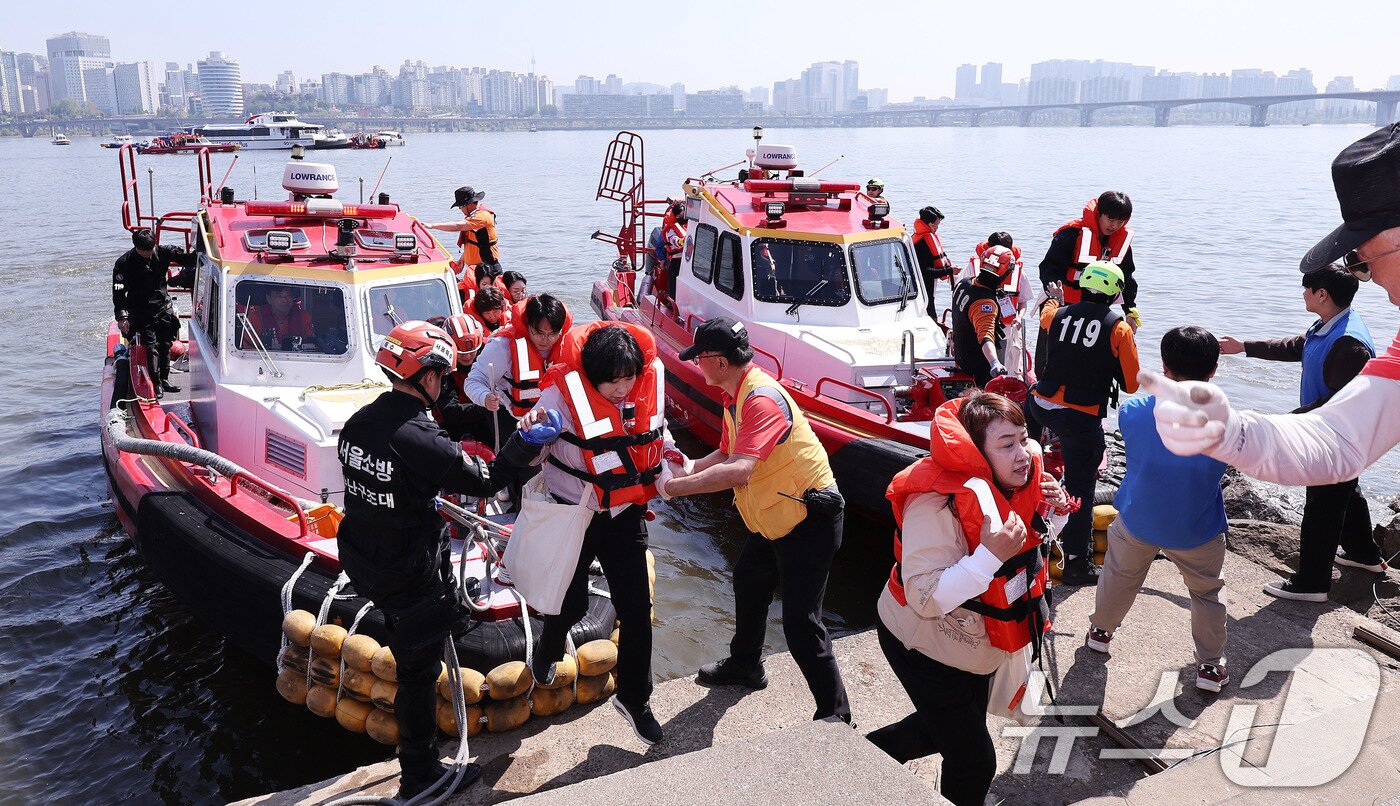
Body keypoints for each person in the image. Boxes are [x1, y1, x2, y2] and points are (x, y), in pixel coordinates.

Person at [337, 320, 559, 800]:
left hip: (365, 561)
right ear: (429, 376)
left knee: (413, 650)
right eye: (440, 374)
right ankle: (419, 773)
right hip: (407, 576)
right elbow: (484, 479)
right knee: (418, 674)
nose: (443, 383)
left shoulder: (359, 424)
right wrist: (524, 443)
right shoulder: (419, 437)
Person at [1146, 124, 1400, 493]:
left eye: (1361, 253)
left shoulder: (1349, 342)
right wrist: (1231, 432)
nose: (1364, 269)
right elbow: (1341, 439)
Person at [869, 392, 1058, 806]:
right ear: (975, 452)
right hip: (922, 643)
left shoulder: (1013, 485)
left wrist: (1053, 513)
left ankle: (860, 757)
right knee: (975, 759)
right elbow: (925, 597)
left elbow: (1029, 555)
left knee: (943, 729)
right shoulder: (935, 503)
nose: (1023, 454)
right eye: (1005, 445)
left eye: (1023, 439)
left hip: (974, 644)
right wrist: (990, 556)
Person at [663, 318, 852, 723]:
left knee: (803, 625)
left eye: (699, 359)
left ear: (717, 361)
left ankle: (836, 716)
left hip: (809, 521)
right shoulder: (738, 393)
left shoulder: (760, 399)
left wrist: (674, 490)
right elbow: (725, 453)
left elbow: (739, 471)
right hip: (776, 517)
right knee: (749, 579)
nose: (696, 365)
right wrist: (689, 465)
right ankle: (747, 666)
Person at [521, 321, 680, 745]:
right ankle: (550, 648)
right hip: (573, 512)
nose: (624, 389)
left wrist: (670, 461)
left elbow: (658, 437)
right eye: (614, 382)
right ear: (593, 377)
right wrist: (530, 429)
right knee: (568, 602)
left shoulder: (643, 390)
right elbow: (532, 450)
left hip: (624, 512)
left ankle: (635, 699)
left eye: (630, 378)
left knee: (636, 608)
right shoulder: (560, 396)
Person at [1216, 264, 1384, 600]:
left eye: (1307, 288)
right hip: (1335, 433)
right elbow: (1298, 346)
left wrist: (1284, 423)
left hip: (1337, 436)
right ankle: (1365, 556)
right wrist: (1243, 346)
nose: (1303, 293)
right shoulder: (1331, 323)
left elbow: (1338, 403)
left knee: (1322, 506)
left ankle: (1312, 584)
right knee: (1346, 493)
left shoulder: (1349, 344)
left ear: (1322, 294)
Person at [1086, 327, 1231, 692]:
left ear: (1164, 368)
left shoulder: (1134, 411)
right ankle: (1210, 667)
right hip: (1197, 527)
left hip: (1139, 517)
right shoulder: (1226, 423)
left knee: (1119, 577)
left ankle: (1101, 632)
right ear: (1213, 371)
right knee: (1207, 593)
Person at [1028, 260, 1140, 586]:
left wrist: (1054, 297)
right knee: (1081, 489)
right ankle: (1078, 563)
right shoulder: (1119, 328)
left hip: (1040, 406)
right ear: (1116, 293)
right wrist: (1131, 332)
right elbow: (1131, 384)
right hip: (1078, 416)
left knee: (1031, 466)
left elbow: (1047, 313)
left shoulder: (1057, 314)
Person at [467, 294, 573, 441]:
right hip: (511, 417)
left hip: (549, 416)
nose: (545, 340)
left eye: (552, 334)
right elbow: (473, 381)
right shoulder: (502, 347)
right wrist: (484, 397)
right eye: (539, 333)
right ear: (527, 324)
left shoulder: (568, 345)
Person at [112, 227, 198, 397]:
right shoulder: (123, 263)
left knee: (166, 344)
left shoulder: (164, 252)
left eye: (151, 249)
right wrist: (122, 317)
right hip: (140, 309)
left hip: (162, 306)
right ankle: (156, 382)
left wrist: (201, 245)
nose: (148, 254)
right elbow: (118, 292)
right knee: (151, 346)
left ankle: (165, 379)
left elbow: (189, 260)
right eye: (144, 251)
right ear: (136, 247)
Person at [1040, 191, 1141, 331]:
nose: (1115, 226)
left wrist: (1130, 311)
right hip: (1062, 305)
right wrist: (1055, 296)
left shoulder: (1121, 243)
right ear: (1099, 213)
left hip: (1097, 309)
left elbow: (1126, 279)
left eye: (1120, 222)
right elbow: (1049, 269)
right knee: (1053, 351)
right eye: (1111, 220)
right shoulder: (1070, 235)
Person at [951, 245, 1016, 387]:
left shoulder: (963, 283)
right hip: (978, 371)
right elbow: (985, 337)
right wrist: (995, 363)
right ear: (1007, 272)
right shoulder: (985, 303)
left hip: (961, 358)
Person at [429, 314, 489, 442]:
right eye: (461, 353)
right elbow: (450, 412)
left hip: (485, 418)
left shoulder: (489, 351)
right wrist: (486, 406)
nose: (467, 357)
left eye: (471, 352)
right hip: (452, 425)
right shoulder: (441, 365)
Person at [426, 186, 499, 279]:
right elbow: (474, 242)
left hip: (488, 270)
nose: (460, 209)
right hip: (476, 269)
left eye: (460, 206)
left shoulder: (481, 217)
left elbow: (458, 226)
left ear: (468, 204)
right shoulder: (473, 217)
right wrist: (462, 259)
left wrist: (432, 226)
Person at [912, 207, 955, 318]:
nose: (936, 229)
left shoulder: (919, 237)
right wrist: (949, 270)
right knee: (931, 316)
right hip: (923, 291)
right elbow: (925, 272)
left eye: (937, 226)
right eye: (934, 225)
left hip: (926, 290)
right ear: (926, 224)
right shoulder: (921, 243)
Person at [240, 286, 315, 350]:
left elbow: (311, 345)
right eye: (279, 296)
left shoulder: (304, 317)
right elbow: (248, 349)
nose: (285, 300)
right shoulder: (255, 317)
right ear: (269, 299)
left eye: (288, 296)